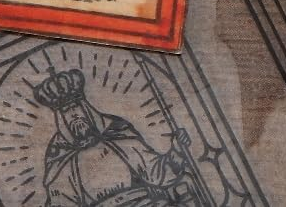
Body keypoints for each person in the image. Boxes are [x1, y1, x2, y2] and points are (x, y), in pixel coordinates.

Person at [33, 68, 207, 206]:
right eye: (66, 110)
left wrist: (176, 151)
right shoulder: (60, 156)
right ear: (60, 118)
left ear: (85, 106)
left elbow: (155, 173)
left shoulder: (116, 131)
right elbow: (62, 201)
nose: (74, 115)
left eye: (76, 107)